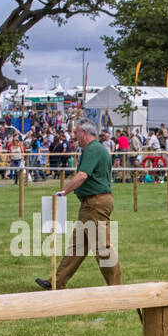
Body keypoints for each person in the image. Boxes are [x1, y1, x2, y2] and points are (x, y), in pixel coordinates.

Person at [35, 120, 122, 292]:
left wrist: (63, 192)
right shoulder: (97, 149)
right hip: (92, 203)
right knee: (77, 247)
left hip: (95, 203)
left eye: (76, 133)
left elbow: (82, 176)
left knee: (101, 247)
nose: (75, 137)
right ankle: (56, 282)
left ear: (84, 132)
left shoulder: (92, 149)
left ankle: (117, 288)